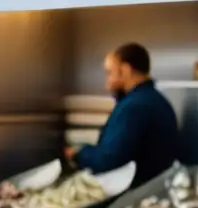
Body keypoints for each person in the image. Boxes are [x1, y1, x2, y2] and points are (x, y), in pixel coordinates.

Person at [65, 43, 178, 187]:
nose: (107, 84)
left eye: (109, 73)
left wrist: (78, 153)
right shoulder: (155, 100)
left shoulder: (135, 107)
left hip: (135, 194)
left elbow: (109, 160)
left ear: (125, 70)